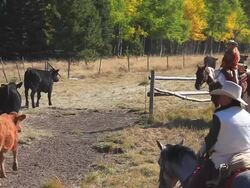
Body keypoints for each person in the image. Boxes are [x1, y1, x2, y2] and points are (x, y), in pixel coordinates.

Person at [187, 81, 250, 188]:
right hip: (247, 157)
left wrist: (203, 153)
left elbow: (211, 141)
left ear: (229, 99)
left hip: (223, 159)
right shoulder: (247, 115)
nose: (219, 98)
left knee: (196, 181)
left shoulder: (219, 116)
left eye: (222, 95)